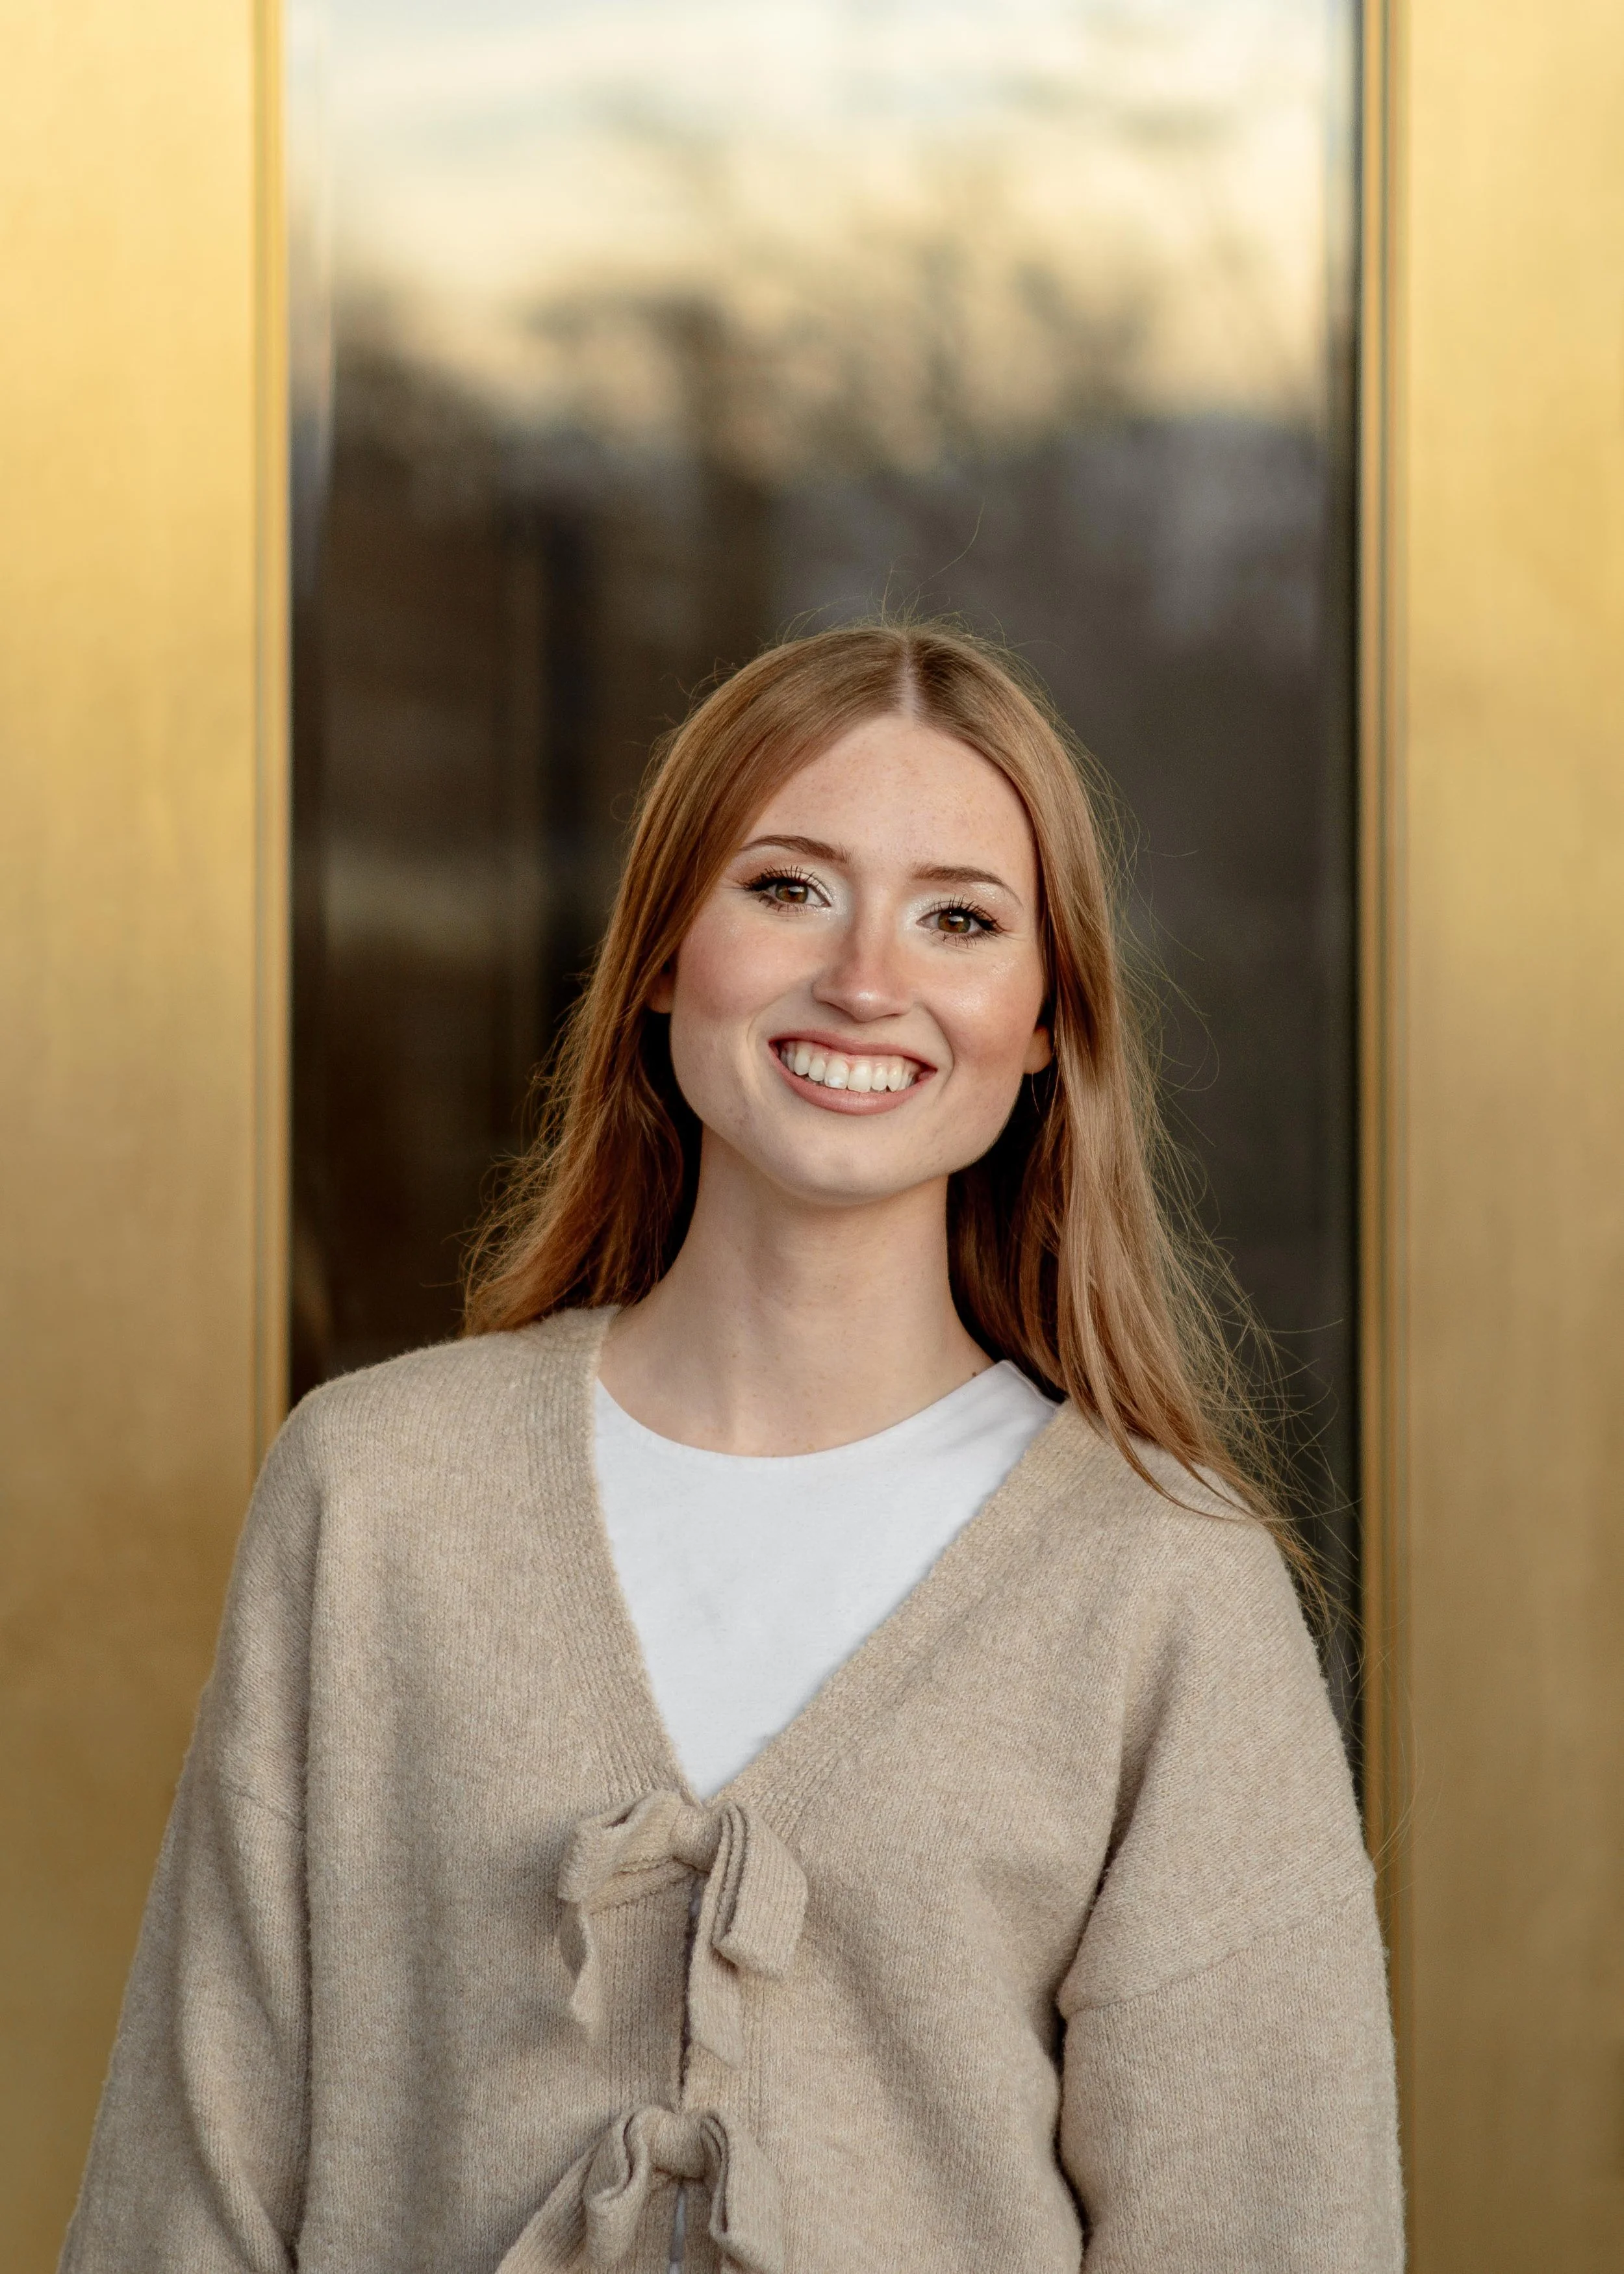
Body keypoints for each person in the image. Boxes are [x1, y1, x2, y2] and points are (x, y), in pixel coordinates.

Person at [64, 623, 1401, 2273]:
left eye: (960, 918)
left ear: (1046, 1020)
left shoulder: (1165, 1590)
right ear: (656, 953)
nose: (864, 980)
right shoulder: (373, 1495)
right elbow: (189, 2180)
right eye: (786, 888)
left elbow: (1266, 2227)